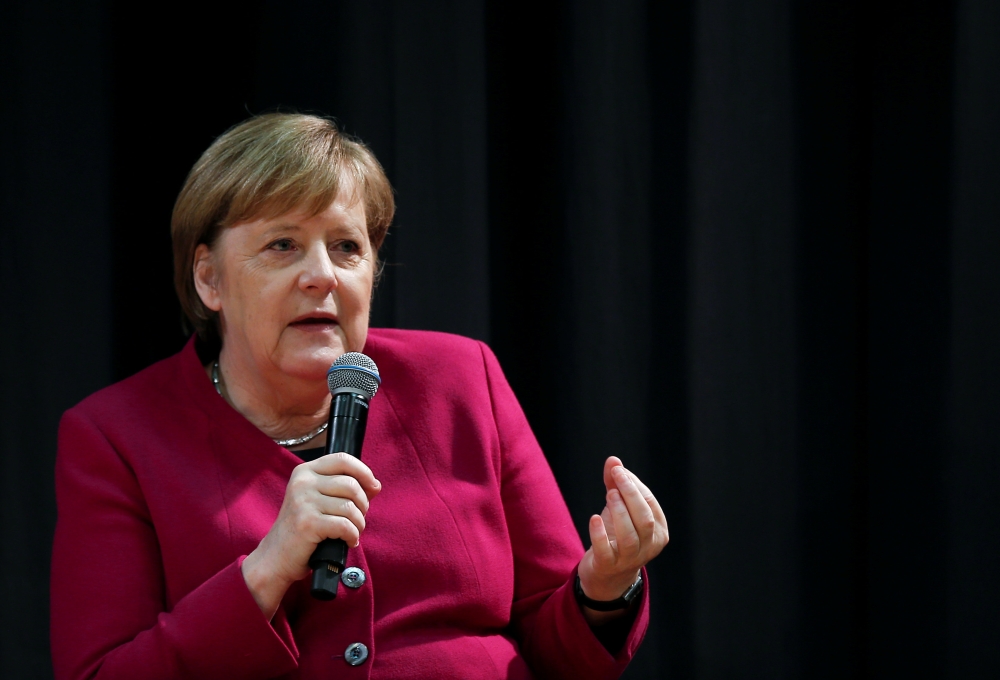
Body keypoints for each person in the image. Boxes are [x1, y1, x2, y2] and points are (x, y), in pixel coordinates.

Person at [50, 113, 669, 680]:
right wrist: (264, 571)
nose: (322, 274)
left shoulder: (462, 378)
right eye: (282, 245)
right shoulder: (117, 436)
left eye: (347, 246)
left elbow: (556, 648)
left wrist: (603, 586)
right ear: (208, 277)